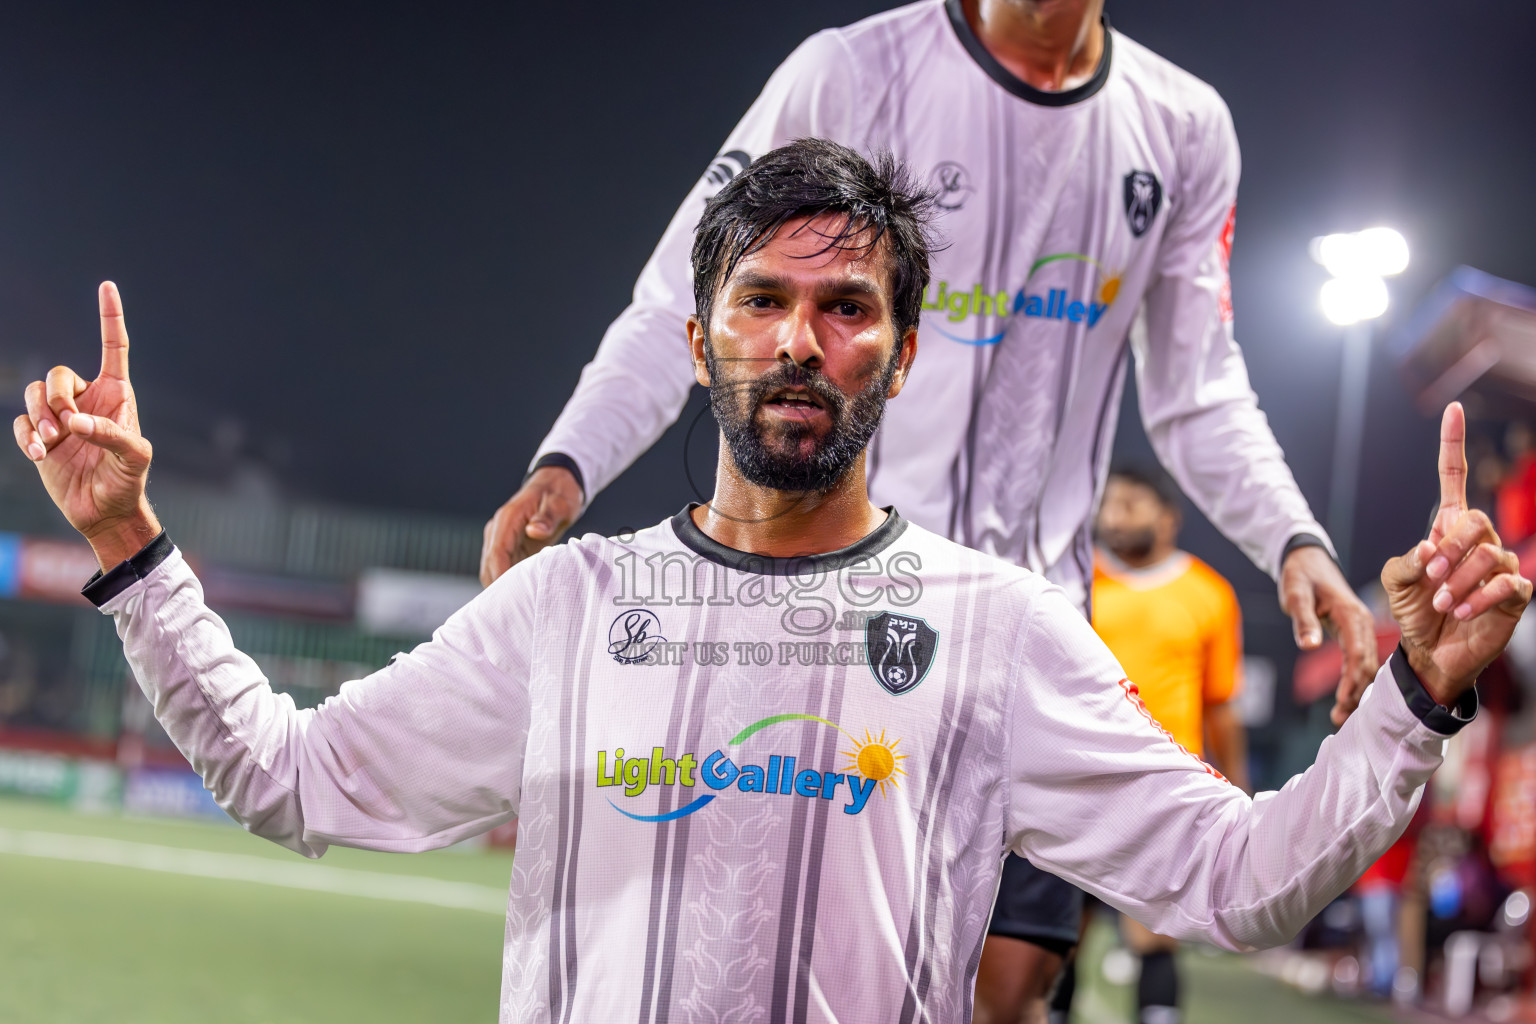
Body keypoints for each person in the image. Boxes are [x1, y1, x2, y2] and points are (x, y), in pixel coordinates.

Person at [14, 141, 1522, 1024]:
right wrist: (135, 548)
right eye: (764, 301)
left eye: (850, 306)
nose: (804, 341)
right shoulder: (569, 609)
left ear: (905, 354)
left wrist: (1416, 694)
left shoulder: (996, 631)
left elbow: (1241, 882)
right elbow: (285, 775)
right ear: (702, 342)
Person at [477, 4, 1381, 1016]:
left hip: (1029, 636)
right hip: (833, 617)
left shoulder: (1182, 125)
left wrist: (1293, 537)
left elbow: (1198, 386)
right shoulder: (853, 71)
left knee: (1003, 989)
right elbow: (682, 294)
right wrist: (570, 459)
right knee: (804, 968)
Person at [1067, 465, 1251, 1023]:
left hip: (1162, 790)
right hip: (1071, 779)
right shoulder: (1073, 581)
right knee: (1054, 941)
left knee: (1154, 936)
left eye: (1132, 502)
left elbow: (1221, 703)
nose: (1115, 513)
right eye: (1110, 502)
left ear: (1169, 519)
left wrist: (1237, 789)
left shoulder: (1209, 593)